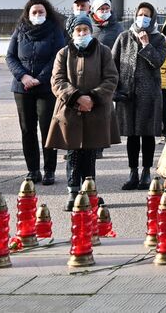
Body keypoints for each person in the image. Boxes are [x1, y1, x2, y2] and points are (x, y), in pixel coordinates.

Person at [47, 13, 120, 209]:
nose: (82, 33)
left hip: (95, 111)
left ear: (91, 31)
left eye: (85, 30)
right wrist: (76, 97)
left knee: (90, 153)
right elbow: (57, 81)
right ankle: (72, 192)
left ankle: (90, 192)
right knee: (73, 153)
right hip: (70, 110)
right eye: (78, 30)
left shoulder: (103, 51)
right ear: (72, 33)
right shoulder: (63, 53)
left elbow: (111, 78)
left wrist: (93, 98)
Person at [6, 0, 67, 184]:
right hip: (22, 88)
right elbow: (10, 56)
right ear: (28, 14)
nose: (37, 15)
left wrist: (39, 79)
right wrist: (23, 77)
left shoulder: (55, 30)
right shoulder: (20, 30)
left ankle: (49, 170)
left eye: (41, 12)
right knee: (27, 130)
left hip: (46, 88)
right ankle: (33, 169)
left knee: (47, 129)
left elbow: (58, 55)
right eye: (34, 12)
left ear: (47, 13)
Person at [112, 2, 166, 190]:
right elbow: (113, 65)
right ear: (135, 15)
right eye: (140, 14)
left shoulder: (158, 39)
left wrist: (146, 44)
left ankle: (146, 172)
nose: (143, 17)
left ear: (152, 18)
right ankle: (133, 172)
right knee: (132, 136)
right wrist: (115, 90)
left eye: (147, 15)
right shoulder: (124, 37)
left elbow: (158, 62)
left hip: (149, 95)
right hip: (127, 95)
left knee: (147, 134)